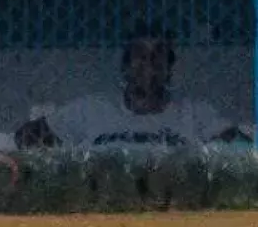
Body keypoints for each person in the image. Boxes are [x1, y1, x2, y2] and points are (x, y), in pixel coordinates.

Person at [27, 26, 246, 147]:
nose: (149, 63)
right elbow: (27, 136)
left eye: (158, 55)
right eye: (140, 55)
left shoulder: (195, 114)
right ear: (125, 68)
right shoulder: (91, 110)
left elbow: (241, 147)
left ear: (169, 68)